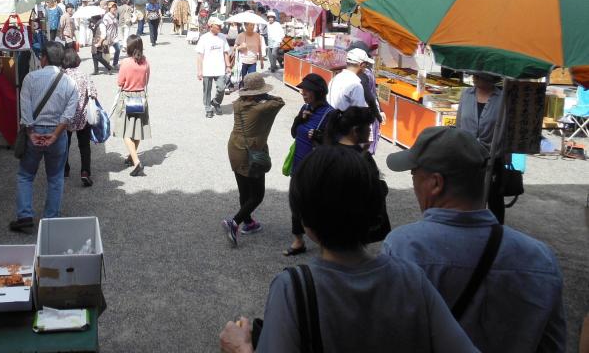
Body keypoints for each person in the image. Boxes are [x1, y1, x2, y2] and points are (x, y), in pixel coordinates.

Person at [220, 145, 478, 353]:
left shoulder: (292, 288)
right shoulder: (412, 279)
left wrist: (242, 348)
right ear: (375, 209)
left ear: (305, 220)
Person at [383, 126, 566, 353]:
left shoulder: (404, 248)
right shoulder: (541, 258)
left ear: (435, 183)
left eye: (414, 175)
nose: (413, 184)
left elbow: (391, 336)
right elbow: (553, 345)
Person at [11, 41, 79, 232]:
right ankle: (51, 220)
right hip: (57, 134)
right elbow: (68, 114)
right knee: (55, 177)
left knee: (25, 175)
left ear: (44, 58)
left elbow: (24, 110)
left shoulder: (30, 78)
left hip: (35, 131)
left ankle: (25, 216)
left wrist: (31, 133)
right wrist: (55, 135)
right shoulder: (70, 82)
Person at [223, 74, 285, 246]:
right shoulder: (262, 109)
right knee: (257, 195)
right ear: (259, 93)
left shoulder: (237, 104)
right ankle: (234, 223)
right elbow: (280, 101)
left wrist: (256, 95)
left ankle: (249, 223)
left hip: (235, 147)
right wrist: (266, 96)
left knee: (244, 190)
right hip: (251, 152)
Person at [323, 106, 391, 243]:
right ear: (355, 131)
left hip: (334, 220)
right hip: (357, 220)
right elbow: (375, 189)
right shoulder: (360, 157)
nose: (370, 132)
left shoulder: (329, 150)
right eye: (369, 128)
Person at [284, 74, 333, 256]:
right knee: (296, 203)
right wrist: (300, 120)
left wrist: (321, 137)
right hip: (298, 165)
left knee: (315, 205)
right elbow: (293, 133)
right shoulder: (305, 108)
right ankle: (298, 240)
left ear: (317, 93)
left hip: (315, 169)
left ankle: (326, 243)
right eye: (302, 89)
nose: (302, 93)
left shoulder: (331, 114)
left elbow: (335, 144)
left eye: (307, 90)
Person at [456, 72, 506, 223]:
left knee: (494, 197)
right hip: (467, 153)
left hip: (492, 156)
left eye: (478, 76)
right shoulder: (467, 94)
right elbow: (459, 122)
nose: (474, 78)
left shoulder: (502, 98)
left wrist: (496, 152)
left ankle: (496, 230)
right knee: (466, 193)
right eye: (474, 75)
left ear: (490, 78)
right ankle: (467, 226)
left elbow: (505, 128)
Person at [115, 35, 151, 177]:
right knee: (137, 129)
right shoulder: (145, 62)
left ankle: (136, 162)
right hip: (141, 96)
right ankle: (131, 157)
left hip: (128, 97)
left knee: (125, 132)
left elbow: (120, 82)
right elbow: (147, 80)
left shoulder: (126, 63)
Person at [62, 46, 97, 187]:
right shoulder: (84, 75)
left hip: (66, 117)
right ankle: (85, 172)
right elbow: (93, 93)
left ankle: (65, 169)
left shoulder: (62, 76)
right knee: (84, 146)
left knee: (65, 144)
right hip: (83, 116)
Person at [347, 41, 384, 153]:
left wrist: (378, 113)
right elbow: (373, 94)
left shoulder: (363, 74)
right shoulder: (368, 72)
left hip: (366, 113)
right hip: (370, 112)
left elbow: (370, 96)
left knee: (363, 145)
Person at [196, 16, 232, 118]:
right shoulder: (204, 38)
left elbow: (226, 53)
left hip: (219, 68)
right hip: (207, 68)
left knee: (221, 88)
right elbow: (199, 56)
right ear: (211, 26)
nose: (220, 27)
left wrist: (228, 65)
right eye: (218, 25)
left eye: (220, 25)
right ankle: (208, 108)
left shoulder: (222, 37)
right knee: (207, 90)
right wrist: (199, 71)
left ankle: (216, 102)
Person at [234, 22, 264, 86]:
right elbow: (234, 48)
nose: (252, 27)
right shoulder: (240, 35)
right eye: (250, 25)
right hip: (242, 62)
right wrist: (240, 47)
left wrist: (261, 61)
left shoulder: (257, 35)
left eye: (253, 25)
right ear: (245, 26)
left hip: (253, 62)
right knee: (243, 80)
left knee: (252, 80)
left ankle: (251, 95)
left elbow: (259, 48)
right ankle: (242, 94)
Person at [102, 2, 121, 67]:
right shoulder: (106, 16)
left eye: (115, 7)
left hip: (114, 37)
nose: (114, 8)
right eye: (113, 7)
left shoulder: (115, 15)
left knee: (118, 49)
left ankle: (115, 63)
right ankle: (107, 65)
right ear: (109, 8)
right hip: (108, 37)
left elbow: (117, 25)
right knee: (107, 52)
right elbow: (104, 27)